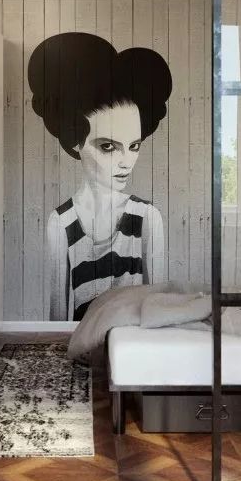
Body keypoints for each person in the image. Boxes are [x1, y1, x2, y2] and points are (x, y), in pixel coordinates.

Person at [28, 32, 173, 321]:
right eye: (108, 146)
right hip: (84, 340)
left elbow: (156, 308)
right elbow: (58, 315)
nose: (126, 162)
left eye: (134, 146)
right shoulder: (62, 222)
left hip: (132, 342)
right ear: (75, 142)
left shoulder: (147, 218)